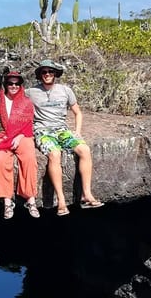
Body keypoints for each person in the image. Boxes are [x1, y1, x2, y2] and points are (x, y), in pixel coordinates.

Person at [27, 59, 104, 216]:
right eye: (44, 72)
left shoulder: (65, 90)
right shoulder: (31, 92)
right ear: (40, 75)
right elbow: (10, 94)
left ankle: (86, 194)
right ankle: (61, 201)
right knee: (55, 154)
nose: (47, 74)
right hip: (43, 131)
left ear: (55, 74)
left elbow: (78, 112)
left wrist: (77, 131)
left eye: (50, 72)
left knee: (84, 149)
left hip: (62, 130)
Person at [0, 71, 40, 219]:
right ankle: (7, 201)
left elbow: (29, 123)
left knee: (29, 157)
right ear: (6, 85)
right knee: (1, 159)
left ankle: (30, 199)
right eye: (10, 83)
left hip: (22, 135)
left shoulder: (26, 101)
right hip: (1, 136)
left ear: (21, 85)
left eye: (17, 83)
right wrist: (4, 137)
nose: (14, 86)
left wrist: (20, 135)